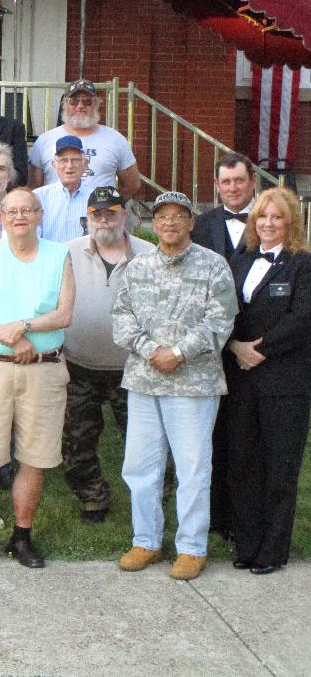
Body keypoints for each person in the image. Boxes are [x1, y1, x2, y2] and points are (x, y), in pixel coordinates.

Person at [113, 191, 237, 581]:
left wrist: (179, 352)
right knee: (140, 468)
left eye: (177, 216)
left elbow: (221, 321)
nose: (169, 223)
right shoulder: (136, 267)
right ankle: (146, 539)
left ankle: (191, 547)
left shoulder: (213, 267)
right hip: (145, 381)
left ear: (191, 223)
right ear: (154, 223)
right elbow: (122, 318)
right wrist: (152, 351)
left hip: (193, 385)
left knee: (193, 468)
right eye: (162, 216)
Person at [0, 188, 74, 570]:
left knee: (34, 458)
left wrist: (23, 328)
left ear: (40, 215)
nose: (19, 216)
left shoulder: (59, 256)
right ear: (1, 217)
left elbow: (63, 314)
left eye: (28, 210)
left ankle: (22, 538)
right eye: (12, 211)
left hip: (43, 371)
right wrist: (9, 338)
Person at [223, 188, 311, 575]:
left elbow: (302, 317)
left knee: (279, 468)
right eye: (262, 217)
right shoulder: (240, 262)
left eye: (277, 217)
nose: (269, 224)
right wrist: (234, 346)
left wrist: (259, 349)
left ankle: (273, 550)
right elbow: (224, 310)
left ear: (290, 222)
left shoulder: (303, 264)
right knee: (243, 464)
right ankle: (247, 544)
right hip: (241, 379)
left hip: (285, 382)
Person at [63, 186, 154, 523]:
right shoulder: (66, 253)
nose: (104, 219)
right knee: (76, 442)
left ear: (124, 215)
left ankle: (150, 499)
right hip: (79, 365)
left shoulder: (149, 254)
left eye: (111, 212)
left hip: (132, 367)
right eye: (96, 214)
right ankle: (93, 498)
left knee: (143, 441)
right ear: (87, 218)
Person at [191, 152, 258, 539]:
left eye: (239, 180)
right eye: (225, 182)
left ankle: (243, 515)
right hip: (211, 346)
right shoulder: (203, 226)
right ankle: (216, 517)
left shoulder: (268, 222)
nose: (232, 188)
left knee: (245, 436)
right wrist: (225, 341)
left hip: (257, 346)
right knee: (211, 436)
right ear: (217, 186)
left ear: (252, 182)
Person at [28, 80, 140, 197]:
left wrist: (112, 206)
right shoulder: (44, 141)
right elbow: (34, 186)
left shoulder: (115, 139)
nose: (80, 106)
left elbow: (132, 184)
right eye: (74, 101)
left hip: (101, 213)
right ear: (65, 104)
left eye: (87, 101)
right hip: (55, 213)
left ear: (96, 104)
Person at [33, 135, 91, 243]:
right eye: (63, 160)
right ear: (54, 165)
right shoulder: (38, 197)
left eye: (75, 160)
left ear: (85, 165)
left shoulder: (94, 197)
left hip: (84, 259)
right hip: (50, 258)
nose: (69, 165)